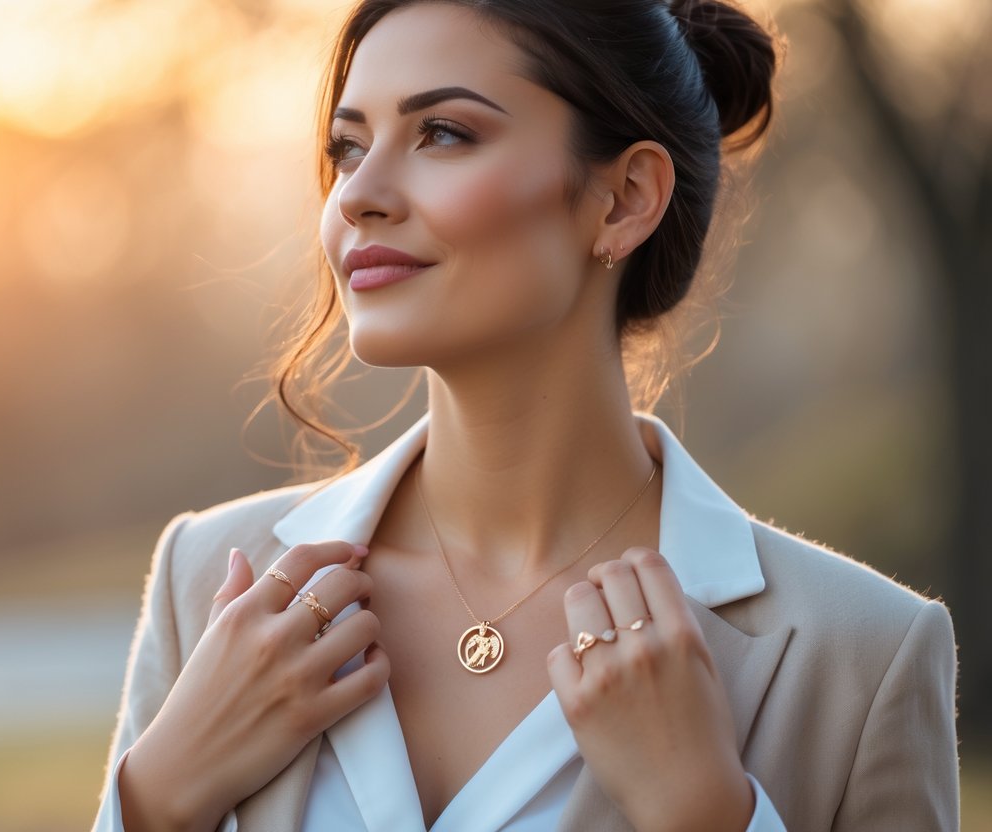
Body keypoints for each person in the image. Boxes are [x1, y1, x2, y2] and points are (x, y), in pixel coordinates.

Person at [93, 0, 960, 829]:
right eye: (348, 147)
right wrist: (159, 797)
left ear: (623, 200)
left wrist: (707, 817)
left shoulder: (861, 658)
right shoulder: (211, 581)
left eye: (442, 133)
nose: (358, 195)